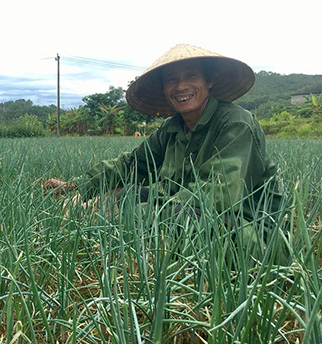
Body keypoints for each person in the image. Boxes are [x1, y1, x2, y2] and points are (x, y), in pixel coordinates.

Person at [45, 44, 285, 247]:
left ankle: (119, 236)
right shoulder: (171, 130)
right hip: (187, 213)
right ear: (165, 88)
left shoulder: (235, 124)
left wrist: (138, 210)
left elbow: (215, 199)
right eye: (172, 80)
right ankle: (85, 216)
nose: (181, 87)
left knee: (155, 213)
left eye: (191, 76)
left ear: (209, 81)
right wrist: (78, 185)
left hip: (245, 231)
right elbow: (131, 164)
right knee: (129, 193)